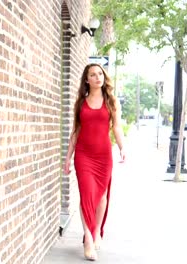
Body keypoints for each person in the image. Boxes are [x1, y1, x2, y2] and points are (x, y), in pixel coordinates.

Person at [63, 63, 126, 261]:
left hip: (103, 155)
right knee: (87, 195)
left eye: (100, 73)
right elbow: (76, 131)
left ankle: (97, 229)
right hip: (83, 155)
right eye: (93, 74)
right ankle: (88, 239)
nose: (97, 77)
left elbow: (117, 127)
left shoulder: (111, 102)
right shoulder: (80, 103)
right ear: (87, 80)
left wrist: (123, 148)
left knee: (101, 197)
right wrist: (67, 158)